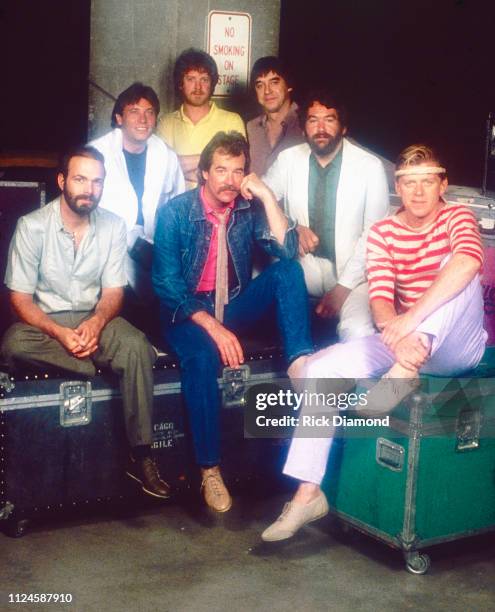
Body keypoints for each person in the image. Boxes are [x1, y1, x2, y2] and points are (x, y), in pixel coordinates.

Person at [261, 144, 487, 541]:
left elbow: (469, 261)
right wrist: (398, 335)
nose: (417, 193)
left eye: (427, 183)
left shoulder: (459, 216)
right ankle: (308, 493)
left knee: (457, 270)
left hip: (456, 346)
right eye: (408, 183)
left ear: (443, 186)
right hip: (407, 341)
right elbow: (380, 298)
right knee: (321, 369)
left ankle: (405, 372)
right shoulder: (382, 231)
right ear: (398, 187)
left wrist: (409, 326)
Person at [152, 131, 313, 512]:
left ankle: (300, 364)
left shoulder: (247, 208)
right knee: (202, 359)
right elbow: (167, 285)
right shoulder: (174, 212)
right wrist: (214, 326)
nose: (228, 180)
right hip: (185, 312)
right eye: (220, 170)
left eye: (237, 171)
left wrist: (268, 197)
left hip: (233, 303)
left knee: (287, 272)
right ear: (203, 173)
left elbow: (287, 250)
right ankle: (210, 469)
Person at [0, 146, 170, 499]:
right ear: (62, 181)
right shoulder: (32, 227)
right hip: (47, 325)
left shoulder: (112, 225)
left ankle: (141, 455)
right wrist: (61, 334)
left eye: (96, 181)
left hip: (97, 319)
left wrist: (95, 324)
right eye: (80, 179)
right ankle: (93, 366)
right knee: (13, 344)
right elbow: (20, 299)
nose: (88, 189)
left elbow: (113, 292)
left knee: (136, 345)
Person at [264, 89, 389, 341]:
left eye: (329, 119)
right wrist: (292, 226)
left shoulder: (369, 167)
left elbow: (375, 235)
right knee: (276, 321)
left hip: (354, 274)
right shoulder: (288, 159)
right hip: (304, 266)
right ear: (303, 128)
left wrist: (342, 288)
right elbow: (259, 200)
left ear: (343, 127)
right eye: (312, 120)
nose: (320, 128)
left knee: (355, 332)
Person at [90, 82, 185, 301]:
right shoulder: (97, 152)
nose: (143, 120)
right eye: (134, 112)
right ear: (119, 118)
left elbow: (177, 206)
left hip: (152, 246)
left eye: (149, 113)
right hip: (108, 244)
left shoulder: (165, 155)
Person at [157, 48, 246, 189]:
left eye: (204, 79)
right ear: (181, 83)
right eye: (191, 79)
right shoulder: (166, 123)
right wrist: (213, 163)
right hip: (177, 207)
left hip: (220, 209)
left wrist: (179, 166)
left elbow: (236, 171)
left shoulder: (232, 120)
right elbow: (161, 169)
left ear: (212, 83)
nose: (198, 87)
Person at [246, 56, 304, 176]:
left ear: (289, 85)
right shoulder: (251, 128)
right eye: (260, 85)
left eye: (274, 82)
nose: (267, 91)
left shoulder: (308, 123)